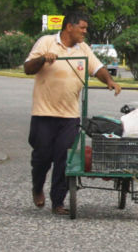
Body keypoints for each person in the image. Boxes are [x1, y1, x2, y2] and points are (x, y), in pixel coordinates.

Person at [23, 11, 121, 215]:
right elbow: (28, 68)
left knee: (64, 158)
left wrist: (109, 80)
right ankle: (37, 187)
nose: (85, 32)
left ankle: (58, 201)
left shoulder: (83, 48)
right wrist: (42, 59)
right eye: (82, 28)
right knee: (42, 157)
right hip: (43, 112)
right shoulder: (46, 42)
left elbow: (98, 68)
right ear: (69, 27)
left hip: (69, 116)